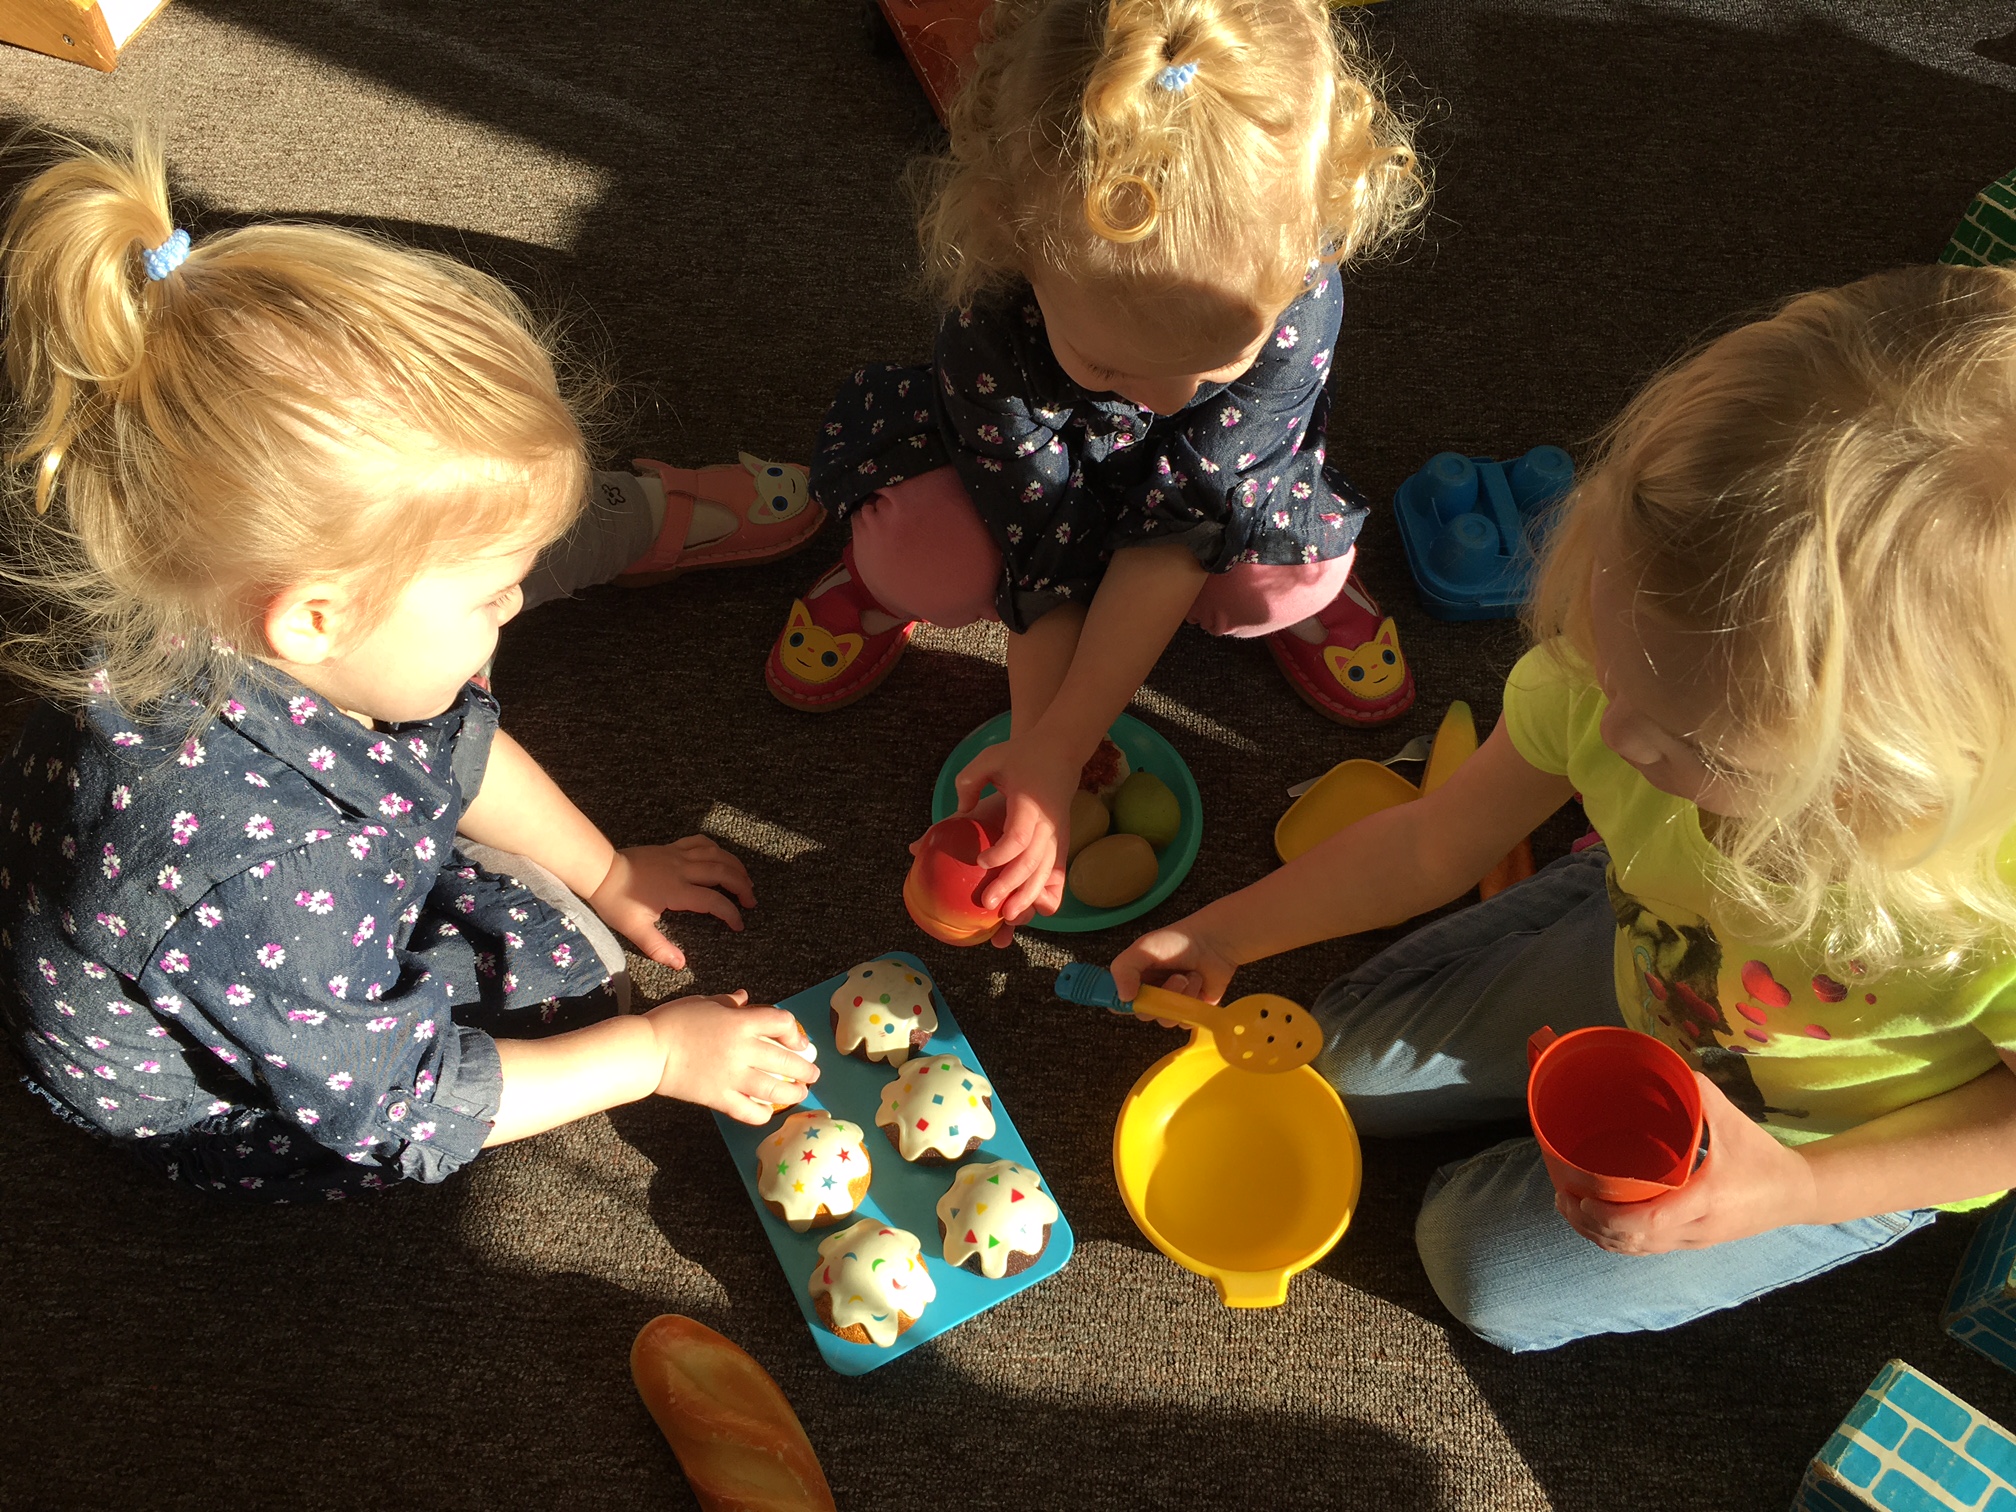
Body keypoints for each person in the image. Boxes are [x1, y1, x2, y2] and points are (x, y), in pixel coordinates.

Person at [1111, 264, 2016, 1351]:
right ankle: (1608, 886)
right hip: (1654, 941)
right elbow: (1431, 844)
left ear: (1901, 771)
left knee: (1480, 1270)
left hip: (1828, 1131)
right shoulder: (1619, 687)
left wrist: (1796, 1190)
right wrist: (1225, 933)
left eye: (1695, 744)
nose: (1619, 735)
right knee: (1325, 1068)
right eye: (1613, 663)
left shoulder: (1990, 899)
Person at [0, 136, 817, 1202]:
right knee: (570, 1008)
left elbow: (456, 749)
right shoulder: (270, 880)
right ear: (315, 620)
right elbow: (398, 1103)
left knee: (551, 916)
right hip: (219, 1085)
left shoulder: (216, 602)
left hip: (228, 917)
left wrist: (609, 871)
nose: (515, 606)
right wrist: (657, 1055)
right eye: (490, 592)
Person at [769, 0, 1424, 939]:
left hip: (1215, 492)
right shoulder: (992, 316)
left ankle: (1299, 592)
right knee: (919, 558)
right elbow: (1045, 543)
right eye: (1112, 367)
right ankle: (875, 580)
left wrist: (1059, 750)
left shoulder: (1299, 295)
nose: (1167, 399)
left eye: (1217, 365)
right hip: (1030, 487)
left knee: (1291, 580)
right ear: (1014, 241)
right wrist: (1046, 754)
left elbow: (1184, 523)